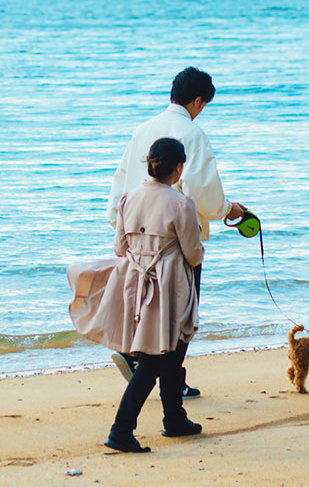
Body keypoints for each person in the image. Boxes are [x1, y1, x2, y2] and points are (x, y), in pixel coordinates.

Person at [105, 67, 246, 399]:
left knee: (144, 306)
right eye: (203, 105)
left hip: (136, 236)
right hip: (174, 242)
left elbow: (120, 179)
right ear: (197, 100)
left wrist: (118, 224)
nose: (201, 112)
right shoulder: (193, 134)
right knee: (181, 316)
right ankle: (171, 384)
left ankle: (135, 355)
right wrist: (228, 209)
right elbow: (201, 190)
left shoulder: (143, 129)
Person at [88, 137, 203, 452]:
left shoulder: (128, 198)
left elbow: (119, 248)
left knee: (162, 354)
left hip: (136, 284)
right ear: (179, 168)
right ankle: (121, 430)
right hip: (169, 285)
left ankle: (175, 418)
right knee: (157, 358)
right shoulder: (181, 203)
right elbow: (193, 255)